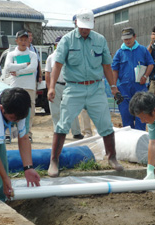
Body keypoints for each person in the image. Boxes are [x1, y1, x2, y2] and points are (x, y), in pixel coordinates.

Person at [47, 8, 123, 177]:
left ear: (93, 25)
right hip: (74, 88)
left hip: (96, 88)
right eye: (82, 27)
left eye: (88, 27)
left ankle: (112, 157)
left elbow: (106, 66)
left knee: (105, 123)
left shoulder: (100, 40)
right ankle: (54, 161)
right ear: (76, 23)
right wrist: (52, 87)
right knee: (63, 123)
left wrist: (113, 87)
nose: (84, 30)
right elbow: (57, 65)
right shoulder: (67, 40)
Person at [112, 27, 154, 131]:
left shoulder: (142, 50)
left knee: (142, 115)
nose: (127, 41)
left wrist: (145, 76)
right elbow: (114, 70)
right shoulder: (119, 52)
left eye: (129, 38)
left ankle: (140, 139)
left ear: (134, 37)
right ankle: (129, 143)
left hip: (140, 87)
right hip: (124, 89)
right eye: (125, 39)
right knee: (126, 116)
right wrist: (114, 86)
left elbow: (151, 64)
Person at [45, 35, 83, 139]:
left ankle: (76, 132)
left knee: (72, 109)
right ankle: (58, 132)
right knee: (55, 110)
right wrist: (49, 88)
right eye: (58, 43)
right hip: (56, 85)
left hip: (69, 85)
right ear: (55, 45)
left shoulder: (70, 56)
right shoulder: (51, 58)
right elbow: (47, 74)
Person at [4, 30, 37, 143]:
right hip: (15, 86)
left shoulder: (33, 54)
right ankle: (8, 133)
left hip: (29, 86)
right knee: (11, 108)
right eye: (21, 40)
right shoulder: (11, 54)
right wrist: (23, 65)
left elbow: (33, 68)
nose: (23, 42)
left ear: (29, 41)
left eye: (25, 40)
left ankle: (28, 133)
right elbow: (8, 67)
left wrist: (17, 71)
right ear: (16, 41)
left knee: (30, 110)